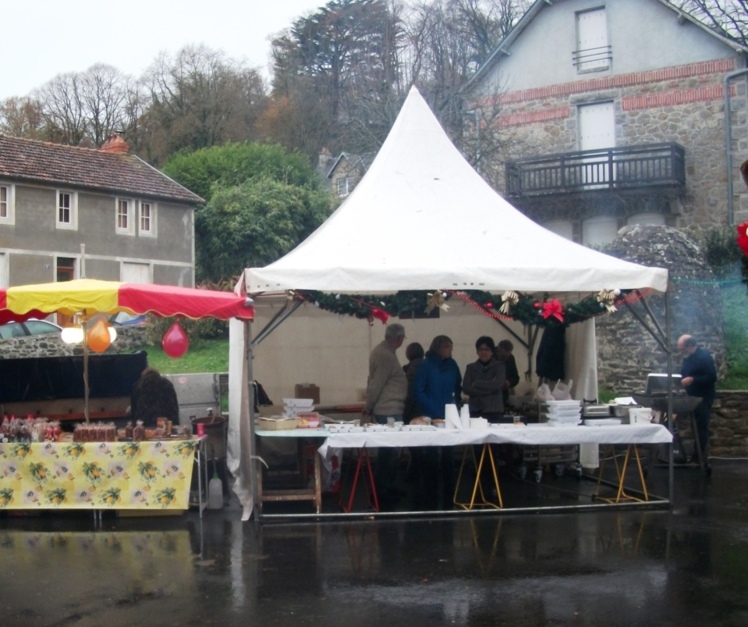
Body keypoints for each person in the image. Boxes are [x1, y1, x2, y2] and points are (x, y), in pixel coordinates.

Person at [414, 335, 461, 508]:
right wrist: (432, 409)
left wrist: (456, 405)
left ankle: (450, 488)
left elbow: (457, 387)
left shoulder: (453, 365)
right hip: (431, 414)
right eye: (447, 347)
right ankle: (431, 489)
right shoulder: (426, 365)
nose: (450, 350)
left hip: (449, 415)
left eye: (451, 346)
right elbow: (419, 390)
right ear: (438, 348)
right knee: (431, 452)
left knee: (449, 452)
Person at [363, 322, 408, 505]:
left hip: (389, 409)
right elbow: (376, 384)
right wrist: (369, 405)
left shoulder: (382, 352)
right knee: (389, 451)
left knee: (389, 450)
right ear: (398, 338)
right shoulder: (385, 356)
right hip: (388, 410)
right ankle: (382, 491)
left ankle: (385, 487)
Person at [677, 334, 717, 464]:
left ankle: (700, 458)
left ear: (690, 345)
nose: (681, 351)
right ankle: (695, 455)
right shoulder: (687, 358)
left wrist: (693, 379)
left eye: (682, 348)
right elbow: (684, 373)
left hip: (703, 397)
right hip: (692, 396)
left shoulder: (704, 357)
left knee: (701, 427)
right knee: (695, 427)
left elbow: (712, 377)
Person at [462, 336, 505, 424]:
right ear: (477, 351)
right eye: (481, 349)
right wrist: (489, 390)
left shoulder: (499, 366)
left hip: (493, 410)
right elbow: (466, 388)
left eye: (487, 349)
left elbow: (497, 385)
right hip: (476, 410)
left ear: (492, 351)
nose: (483, 352)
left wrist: (477, 383)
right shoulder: (471, 368)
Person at [403, 342, 425, 423]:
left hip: (414, 408)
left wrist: (405, 411)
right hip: (426, 407)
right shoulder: (428, 366)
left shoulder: (410, 370)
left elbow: (409, 392)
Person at [496, 339, 520, 410]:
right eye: (503, 357)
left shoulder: (510, 358)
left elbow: (515, 377)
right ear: (498, 350)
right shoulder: (489, 357)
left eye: (507, 356)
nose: (505, 359)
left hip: (503, 396)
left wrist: (509, 382)